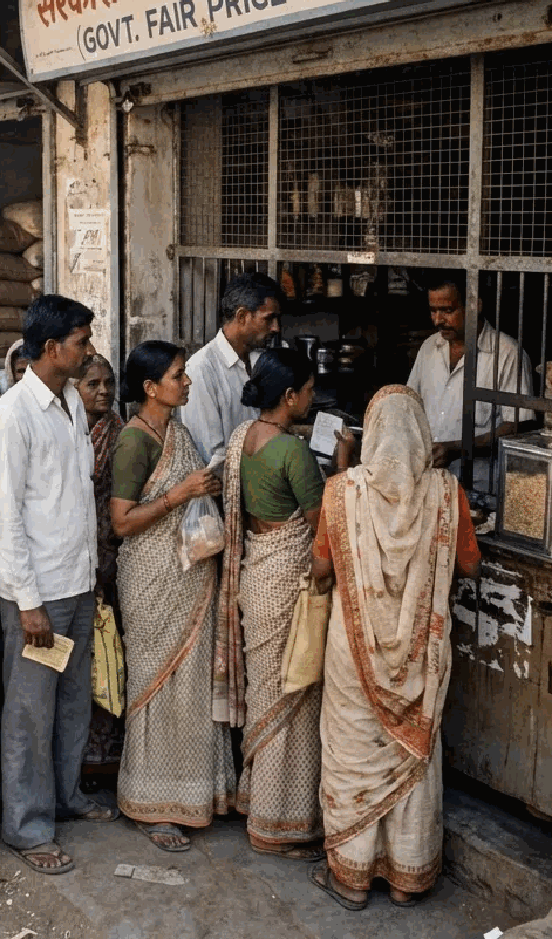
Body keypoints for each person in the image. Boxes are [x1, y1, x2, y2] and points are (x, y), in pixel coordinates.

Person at [309, 386, 481, 911]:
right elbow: (470, 566)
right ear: (422, 436)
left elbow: (321, 569)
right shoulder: (447, 493)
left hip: (352, 652)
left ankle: (352, 878)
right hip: (420, 658)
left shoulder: (341, 493)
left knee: (352, 752)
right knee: (414, 756)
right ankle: (407, 879)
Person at [0, 294, 117, 876]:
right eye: (82, 342)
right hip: (37, 594)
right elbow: (6, 515)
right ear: (52, 347)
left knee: (71, 702)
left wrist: (89, 575)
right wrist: (28, 602)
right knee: (29, 712)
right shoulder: (13, 415)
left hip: (76, 582)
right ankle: (27, 826)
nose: (89, 350)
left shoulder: (70, 402)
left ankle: (66, 795)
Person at [219, 348, 352, 859]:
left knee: (267, 698)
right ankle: (281, 823)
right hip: (288, 583)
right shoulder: (293, 453)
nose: (313, 399)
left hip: (258, 574)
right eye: (309, 391)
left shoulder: (243, 439)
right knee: (293, 702)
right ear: (290, 396)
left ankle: (259, 805)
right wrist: (342, 466)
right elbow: (326, 525)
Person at [110, 340, 235, 852]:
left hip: (190, 579)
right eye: (178, 375)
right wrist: (179, 495)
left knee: (192, 689)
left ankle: (194, 794)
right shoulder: (134, 441)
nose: (187, 382)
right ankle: (153, 804)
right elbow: (122, 522)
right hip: (152, 581)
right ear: (150, 387)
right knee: (157, 687)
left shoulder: (177, 432)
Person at [406, 272, 534, 490]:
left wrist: (457, 448)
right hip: (427, 482)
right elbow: (410, 404)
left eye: (448, 310)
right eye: (433, 311)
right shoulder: (429, 347)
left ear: (476, 306)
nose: (438, 320)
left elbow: (518, 426)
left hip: (479, 488)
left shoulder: (507, 354)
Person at [76, 354, 125, 769]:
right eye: (93, 384)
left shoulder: (120, 433)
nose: (103, 391)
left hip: (113, 556)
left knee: (109, 652)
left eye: (108, 382)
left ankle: (105, 751)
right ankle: (80, 753)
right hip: (75, 557)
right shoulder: (69, 429)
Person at [180, 272, 283, 465]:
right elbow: (212, 458)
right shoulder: (201, 370)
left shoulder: (264, 357)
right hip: (231, 481)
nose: (275, 328)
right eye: (268, 319)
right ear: (242, 316)